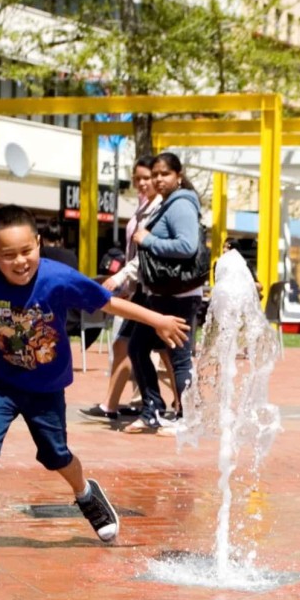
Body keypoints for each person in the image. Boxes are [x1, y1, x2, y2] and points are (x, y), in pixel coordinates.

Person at [0, 204, 190, 541]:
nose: (20, 261)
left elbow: (109, 303)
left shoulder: (57, 278)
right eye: (8, 255)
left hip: (46, 390)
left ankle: (85, 493)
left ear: (39, 243)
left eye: (26, 251)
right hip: (1, 385)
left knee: (55, 456)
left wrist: (158, 320)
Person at [125, 152, 206, 435]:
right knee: (137, 347)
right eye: (155, 174)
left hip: (179, 295)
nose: (159, 179)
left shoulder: (181, 204)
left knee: (179, 356)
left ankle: (188, 417)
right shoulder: (167, 204)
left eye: (165, 174)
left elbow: (187, 246)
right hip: (161, 293)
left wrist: (149, 239)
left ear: (178, 176)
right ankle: (153, 410)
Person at [82, 156, 161, 422]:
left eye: (146, 178)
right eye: (137, 178)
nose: (141, 183)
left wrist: (121, 278)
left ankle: (172, 405)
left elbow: (146, 255)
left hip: (148, 289)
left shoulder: (159, 208)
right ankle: (115, 404)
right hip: (137, 288)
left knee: (145, 349)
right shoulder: (144, 206)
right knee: (129, 346)